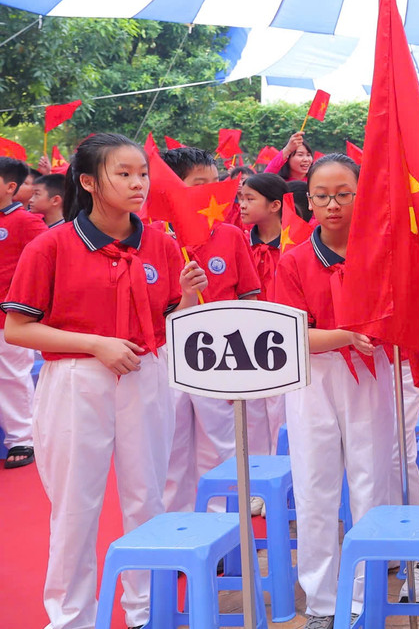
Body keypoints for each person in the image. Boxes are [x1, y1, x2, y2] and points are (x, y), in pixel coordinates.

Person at [4, 133, 206, 629]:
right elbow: (18, 328)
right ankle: (70, 617)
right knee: (76, 504)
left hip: (146, 374)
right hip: (76, 380)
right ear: (90, 182)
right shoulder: (51, 245)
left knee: (147, 497)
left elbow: (169, 324)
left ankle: (146, 610)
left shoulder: (161, 243)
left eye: (143, 173)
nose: (139, 183)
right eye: (124, 173)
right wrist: (96, 344)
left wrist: (186, 298)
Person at [277, 154, 399, 628]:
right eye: (322, 196)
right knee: (315, 487)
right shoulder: (294, 260)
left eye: (344, 195)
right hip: (312, 377)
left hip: (370, 371)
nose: (333, 205)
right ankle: (323, 601)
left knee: (371, 481)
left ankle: (366, 595)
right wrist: (347, 334)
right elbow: (292, 335)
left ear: (360, 197)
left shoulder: (381, 253)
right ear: (309, 200)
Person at [158, 148, 262, 516]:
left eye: (216, 182)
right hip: (168, 351)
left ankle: (221, 519)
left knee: (220, 442)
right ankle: (174, 522)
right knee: (170, 445)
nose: (212, 191)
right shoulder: (154, 238)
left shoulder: (230, 235)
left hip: (221, 351)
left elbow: (249, 296)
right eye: (200, 184)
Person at [239, 171, 292, 456]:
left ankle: (285, 473)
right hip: (247, 342)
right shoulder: (239, 243)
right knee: (251, 420)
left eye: (250, 199)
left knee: (283, 418)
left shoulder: (296, 243)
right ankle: (257, 476)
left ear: (275, 205)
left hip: (286, 342)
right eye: (240, 198)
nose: (242, 205)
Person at [0, 156, 48, 469]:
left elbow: (47, 261)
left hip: (9, 317)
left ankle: (22, 438)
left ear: (10, 187)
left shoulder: (26, 222)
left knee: (11, 376)